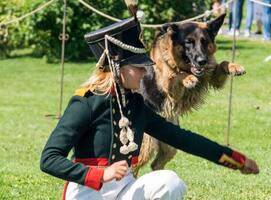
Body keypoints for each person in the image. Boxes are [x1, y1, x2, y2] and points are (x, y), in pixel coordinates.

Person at [40, 17, 259, 200]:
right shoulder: (85, 102)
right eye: (139, 67)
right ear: (117, 67)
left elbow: (182, 138)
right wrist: (100, 174)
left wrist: (236, 160)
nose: (146, 73)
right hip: (87, 192)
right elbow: (49, 159)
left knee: (170, 182)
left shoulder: (135, 104)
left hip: (124, 188)